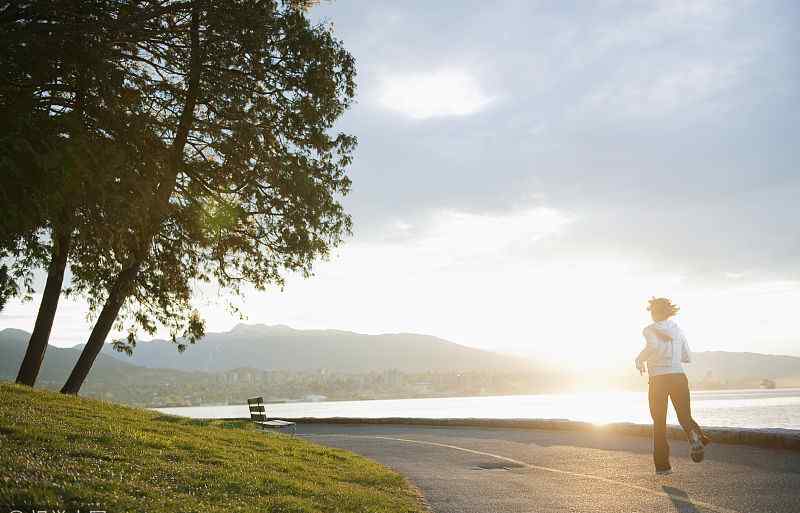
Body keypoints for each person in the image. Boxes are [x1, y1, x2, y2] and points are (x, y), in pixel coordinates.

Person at [635, 297, 710, 475]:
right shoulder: (678, 330)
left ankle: (663, 466)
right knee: (684, 415)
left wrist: (640, 359)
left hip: (658, 379)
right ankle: (695, 436)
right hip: (678, 377)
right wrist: (673, 354)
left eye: (653, 311)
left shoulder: (648, 330)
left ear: (657, 313)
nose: (652, 314)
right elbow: (687, 357)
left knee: (659, 422)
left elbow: (652, 346)